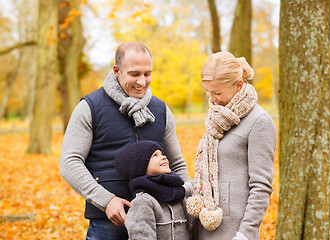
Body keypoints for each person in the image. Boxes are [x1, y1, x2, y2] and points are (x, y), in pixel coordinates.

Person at [60, 41, 190, 240]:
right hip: (109, 223)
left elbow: (177, 163)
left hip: (158, 221)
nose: (142, 82)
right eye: (134, 74)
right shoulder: (90, 107)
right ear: (117, 71)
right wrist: (107, 201)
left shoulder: (161, 110)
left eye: (147, 74)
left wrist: (187, 201)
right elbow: (70, 163)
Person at [186, 52, 277, 239]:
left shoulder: (259, 122)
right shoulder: (217, 118)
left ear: (239, 85)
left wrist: (245, 234)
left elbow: (261, 186)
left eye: (217, 92)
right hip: (204, 225)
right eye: (208, 91)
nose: (211, 98)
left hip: (233, 232)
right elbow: (211, 173)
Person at [114, 140, 192, 240]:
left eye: (162, 154)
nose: (163, 157)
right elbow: (140, 236)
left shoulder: (178, 193)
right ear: (140, 167)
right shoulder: (143, 201)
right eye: (155, 155)